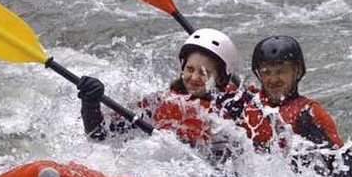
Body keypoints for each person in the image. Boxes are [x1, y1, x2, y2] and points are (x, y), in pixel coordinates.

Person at [233, 35, 352, 177]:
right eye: (266, 72)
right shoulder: (245, 103)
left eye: (281, 72)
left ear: (296, 72)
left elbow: (342, 160)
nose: (273, 79)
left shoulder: (309, 113)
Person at [77, 28, 240, 147]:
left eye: (204, 72)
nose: (194, 78)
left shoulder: (228, 116)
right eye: (190, 69)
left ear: (219, 78)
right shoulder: (159, 103)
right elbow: (100, 135)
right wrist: (90, 102)